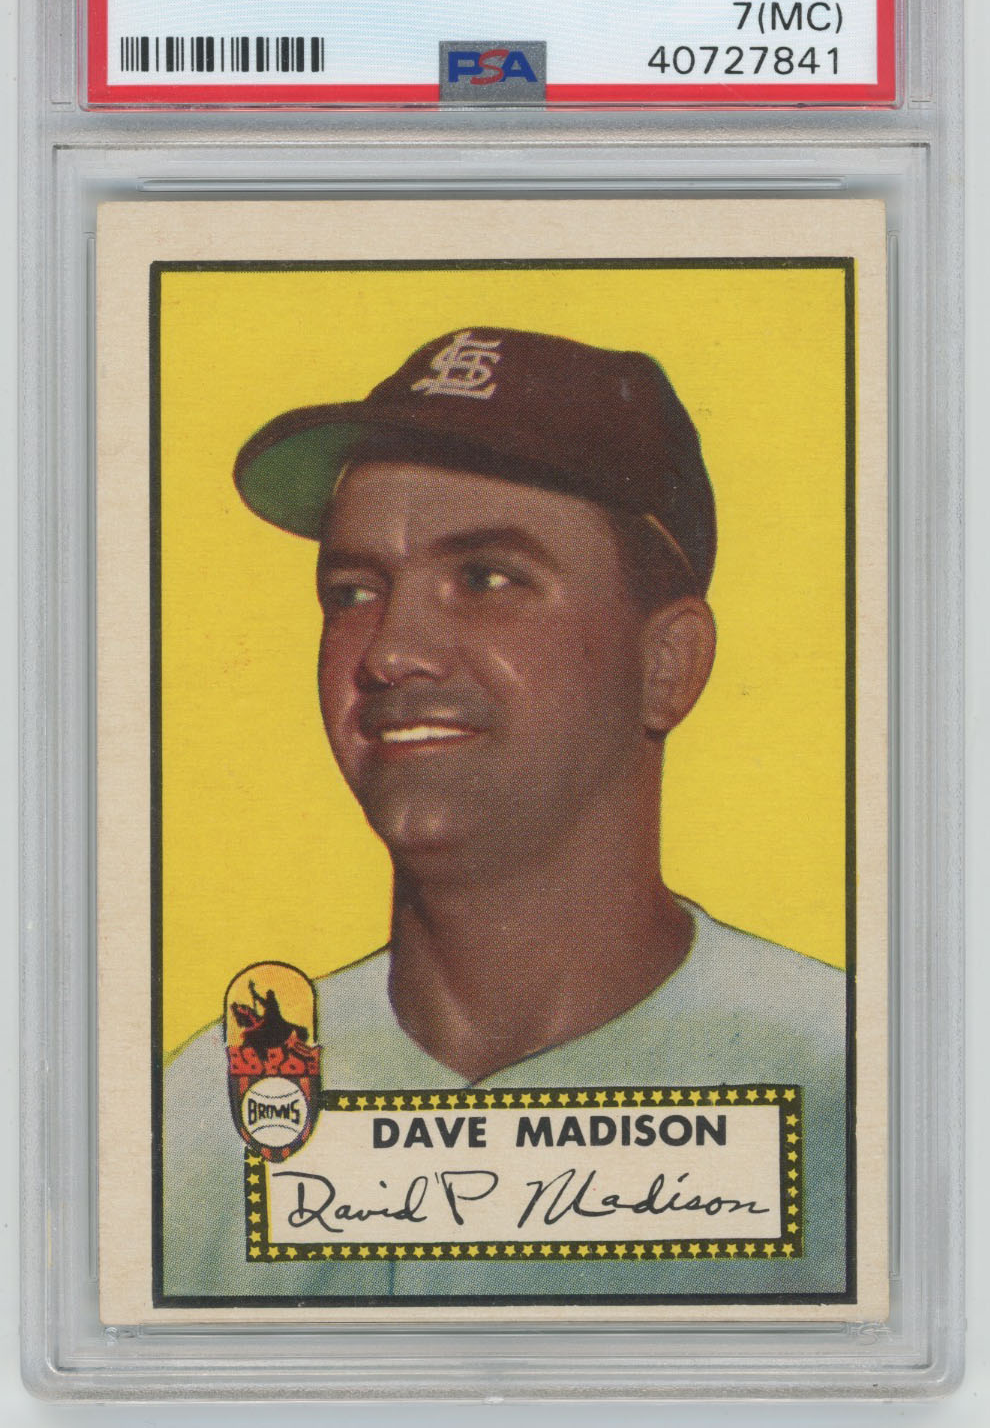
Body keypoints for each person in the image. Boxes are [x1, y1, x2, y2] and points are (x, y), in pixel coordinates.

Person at [163, 326, 847, 1302]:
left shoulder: (848, 1085)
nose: (389, 651)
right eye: (353, 591)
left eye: (487, 577)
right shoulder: (206, 1112)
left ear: (667, 665)